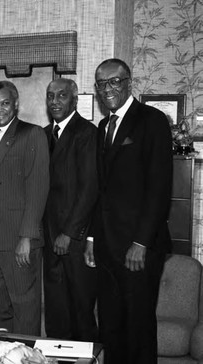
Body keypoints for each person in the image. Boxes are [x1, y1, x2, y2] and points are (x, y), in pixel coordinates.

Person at [86, 58, 173, 364]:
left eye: (114, 82)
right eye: (101, 83)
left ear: (128, 83)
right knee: (110, 326)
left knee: (138, 328)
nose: (107, 89)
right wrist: (93, 238)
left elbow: (159, 189)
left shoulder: (152, 121)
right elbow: (102, 190)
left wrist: (142, 242)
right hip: (108, 247)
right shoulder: (103, 127)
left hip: (139, 249)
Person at [0, 80, 49, 335]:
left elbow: (38, 188)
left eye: (5, 103)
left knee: (25, 307)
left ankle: (27, 359)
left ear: (16, 104)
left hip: (18, 238)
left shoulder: (32, 133)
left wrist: (27, 237)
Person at [42, 78, 98, 341]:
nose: (55, 101)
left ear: (74, 99)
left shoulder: (86, 132)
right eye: (51, 96)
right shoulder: (43, 134)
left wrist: (69, 232)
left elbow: (89, 189)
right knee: (55, 310)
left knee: (80, 309)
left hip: (73, 238)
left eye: (61, 96)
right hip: (48, 237)